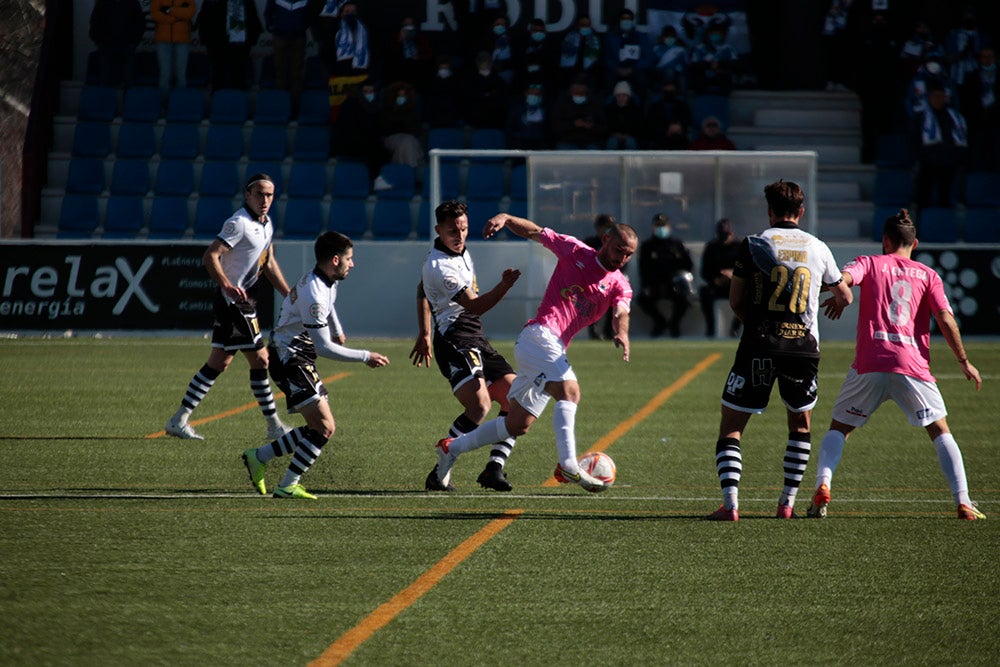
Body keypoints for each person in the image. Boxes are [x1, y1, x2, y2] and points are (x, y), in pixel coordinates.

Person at [426, 212, 638, 493]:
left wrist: (621, 331)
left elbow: (621, 311)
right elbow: (536, 232)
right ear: (606, 239)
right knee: (570, 391)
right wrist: (506, 218)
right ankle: (568, 465)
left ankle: (451, 448)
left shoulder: (620, 283)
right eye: (618, 250)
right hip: (538, 335)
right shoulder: (575, 250)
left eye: (628, 255)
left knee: (517, 423)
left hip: (550, 347)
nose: (621, 258)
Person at [807, 209, 985, 521]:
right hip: (912, 364)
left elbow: (842, 279)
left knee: (840, 428)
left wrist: (833, 294)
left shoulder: (869, 262)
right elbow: (945, 318)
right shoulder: (928, 275)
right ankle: (964, 501)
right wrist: (964, 361)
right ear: (914, 243)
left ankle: (823, 485)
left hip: (871, 361)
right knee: (940, 430)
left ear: (885, 241)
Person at [706, 180, 852, 521]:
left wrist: (757, 324)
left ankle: (731, 505)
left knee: (731, 426)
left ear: (770, 211)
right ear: (801, 212)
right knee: (799, 425)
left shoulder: (755, 243)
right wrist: (832, 303)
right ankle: (786, 504)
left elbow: (736, 301)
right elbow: (844, 295)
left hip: (760, 342)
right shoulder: (817, 247)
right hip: (803, 348)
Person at [241, 231, 390, 500]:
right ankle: (287, 484)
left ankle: (259, 456)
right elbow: (324, 348)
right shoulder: (314, 293)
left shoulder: (325, 279)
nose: (352, 264)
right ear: (335, 260)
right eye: (349, 259)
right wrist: (365, 356)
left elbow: (329, 305)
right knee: (325, 427)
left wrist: (337, 328)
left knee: (316, 427)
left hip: (299, 356)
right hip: (290, 360)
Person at [165, 174, 293, 442]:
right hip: (235, 303)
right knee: (261, 359)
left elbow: (267, 262)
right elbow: (210, 255)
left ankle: (179, 419)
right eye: (259, 194)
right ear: (247, 195)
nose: (265, 200)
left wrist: (289, 294)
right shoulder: (239, 224)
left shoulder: (266, 223)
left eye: (269, 195)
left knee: (219, 362)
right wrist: (226, 285)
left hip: (242, 303)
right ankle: (273, 425)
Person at [411, 201, 522, 492]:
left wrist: (423, 332)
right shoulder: (438, 266)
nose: (459, 235)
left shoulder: (460, 251)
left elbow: (421, 289)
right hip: (454, 340)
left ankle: (493, 469)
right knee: (479, 405)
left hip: (476, 337)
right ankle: (439, 473)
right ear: (438, 230)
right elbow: (475, 305)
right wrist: (504, 286)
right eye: (452, 231)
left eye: (463, 228)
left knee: (517, 400)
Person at [911, 85, 968, 209]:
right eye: (935, 96)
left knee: (945, 198)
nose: (938, 99)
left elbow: (959, 141)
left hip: (948, 162)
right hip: (927, 162)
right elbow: (915, 141)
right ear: (929, 98)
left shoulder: (954, 118)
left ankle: (943, 221)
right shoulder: (921, 117)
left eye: (941, 97)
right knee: (922, 197)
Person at [637, 213, 694, 338]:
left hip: (673, 284)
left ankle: (674, 324)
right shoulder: (647, 246)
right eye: (658, 225)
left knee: (684, 299)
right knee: (642, 298)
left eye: (663, 225)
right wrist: (647, 285)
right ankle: (660, 322)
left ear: (669, 227)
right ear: (653, 227)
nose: (660, 228)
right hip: (655, 284)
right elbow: (643, 269)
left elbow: (688, 265)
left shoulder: (677, 245)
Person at [197, 0, 263, 91]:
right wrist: (204, 38)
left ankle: (238, 100)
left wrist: (252, 39)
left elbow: (252, 17)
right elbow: (204, 17)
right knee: (218, 75)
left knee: (238, 74)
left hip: (239, 43)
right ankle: (218, 99)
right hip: (217, 42)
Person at [264, 0, 314, 110]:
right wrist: (272, 26)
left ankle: (295, 107)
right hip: (280, 37)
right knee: (280, 72)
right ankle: (281, 106)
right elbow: (268, 12)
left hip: (298, 38)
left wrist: (301, 27)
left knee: (296, 73)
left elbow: (311, 14)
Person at [699, 217, 741, 338]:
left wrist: (733, 275)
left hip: (735, 285)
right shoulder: (711, 248)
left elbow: (748, 270)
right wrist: (715, 279)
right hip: (717, 285)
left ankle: (735, 329)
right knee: (705, 292)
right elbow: (704, 271)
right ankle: (710, 328)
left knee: (748, 294)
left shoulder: (740, 247)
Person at [88, 0, 146, 87]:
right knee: (106, 81)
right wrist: (99, 42)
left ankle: (126, 100)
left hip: (127, 47)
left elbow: (140, 23)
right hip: (107, 47)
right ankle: (108, 99)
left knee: (128, 82)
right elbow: (94, 22)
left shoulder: (132, 2)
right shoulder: (103, 2)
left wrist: (134, 42)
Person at [150, 0, 197, 99]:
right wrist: (175, 18)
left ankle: (179, 102)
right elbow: (154, 14)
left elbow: (190, 12)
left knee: (180, 73)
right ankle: (164, 104)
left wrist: (169, 10)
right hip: (163, 40)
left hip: (182, 40)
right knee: (165, 73)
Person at [553, 78, 606, 149]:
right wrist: (573, 124)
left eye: (581, 93)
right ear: (571, 91)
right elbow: (556, 126)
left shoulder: (594, 105)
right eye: (576, 93)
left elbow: (603, 127)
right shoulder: (562, 104)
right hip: (567, 141)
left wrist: (591, 126)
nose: (579, 95)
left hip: (589, 142)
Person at [605, 80, 644, 150]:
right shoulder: (609, 109)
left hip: (630, 136)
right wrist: (615, 134)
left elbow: (639, 126)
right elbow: (606, 125)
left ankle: (632, 161)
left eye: (624, 95)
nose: (621, 98)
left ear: (628, 96)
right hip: (613, 136)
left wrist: (628, 135)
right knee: (612, 142)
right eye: (618, 95)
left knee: (631, 142)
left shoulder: (635, 109)